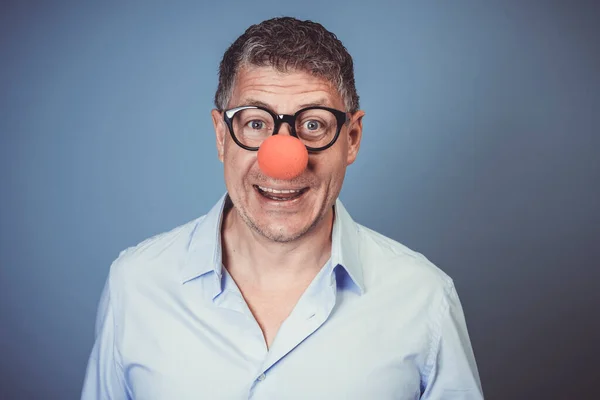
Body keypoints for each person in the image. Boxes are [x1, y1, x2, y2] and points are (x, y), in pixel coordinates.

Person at [81, 17, 483, 399]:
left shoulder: (424, 298)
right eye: (255, 123)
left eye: (314, 124)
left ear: (353, 138)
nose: (284, 159)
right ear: (222, 137)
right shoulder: (136, 285)